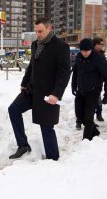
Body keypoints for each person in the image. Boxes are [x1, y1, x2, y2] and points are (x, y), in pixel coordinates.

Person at [8, 17, 71, 161]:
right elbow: (32, 66)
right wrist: (24, 83)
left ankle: (53, 158)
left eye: (41, 31)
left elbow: (64, 74)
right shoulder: (35, 44)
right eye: (36, 31)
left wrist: (56, 94)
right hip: (31, 90)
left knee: (46, 126)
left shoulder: (61, 46)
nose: (38, 34)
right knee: (13, 109)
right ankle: (23, 145)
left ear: (50, 28)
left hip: (48, 94)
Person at [72, 38, 107, 140]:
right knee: (79, 116)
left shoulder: (99, 58)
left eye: (87, 51)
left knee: (88, 117)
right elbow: (75, 72)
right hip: (81, 90)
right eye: (82, 51)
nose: (84, 53)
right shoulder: (79, 57)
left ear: (91, 49)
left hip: (93, 91)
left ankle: (86, 140)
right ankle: (95, 132)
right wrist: (73, 86)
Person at [92, 37, 106, 121]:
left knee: (98, 100)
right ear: (96, 45)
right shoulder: (89, 53)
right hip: (89, 82)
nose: (102, 46)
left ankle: (99, 114)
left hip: (98, 81)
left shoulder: (102, 54)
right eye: (101, 44)